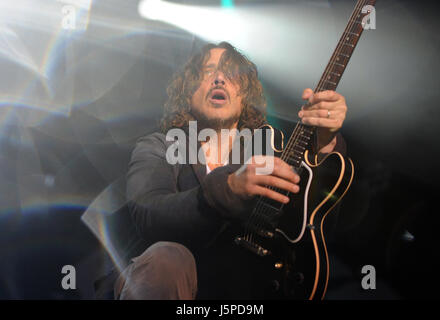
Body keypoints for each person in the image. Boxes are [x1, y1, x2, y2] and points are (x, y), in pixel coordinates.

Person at [113, 41, 348, 299]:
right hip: (179, 283)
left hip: (250, 290)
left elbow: (314, 220)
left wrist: (325, 142)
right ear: (187, 91)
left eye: (231, 73)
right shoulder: (159, 145)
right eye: (207, 72)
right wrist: (228, 189)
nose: (219, 79)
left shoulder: (271, 148)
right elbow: (149, 215)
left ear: (245, 95)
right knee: (166, 259)